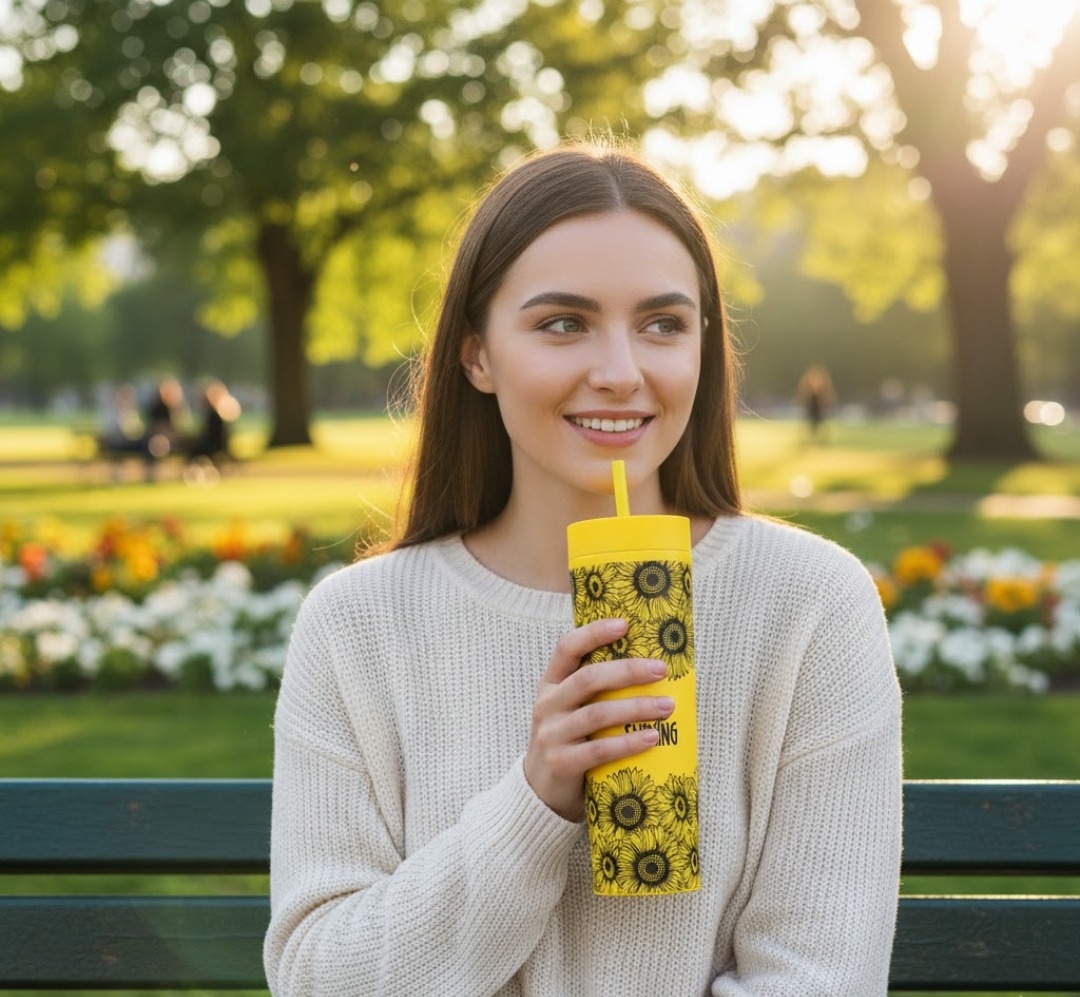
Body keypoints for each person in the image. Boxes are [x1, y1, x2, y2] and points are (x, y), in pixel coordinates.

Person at [264, 144, 902, 996]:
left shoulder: (811, 605)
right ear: (476, 355)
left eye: (662, 324)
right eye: (563, 323)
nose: (619, 372)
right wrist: (533, 805)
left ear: (704, 346)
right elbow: (316, 976)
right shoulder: (357, 624)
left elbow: (818, 977)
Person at [796, 364, 836, 444]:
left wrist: (826, 406)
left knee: (821, 424)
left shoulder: (823, 387)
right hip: (811, 408)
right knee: (811, 425)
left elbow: (827, 397)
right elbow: (804, 397)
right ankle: (810, 440)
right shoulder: (808, 387)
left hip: (819, 409)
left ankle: (822, 440)